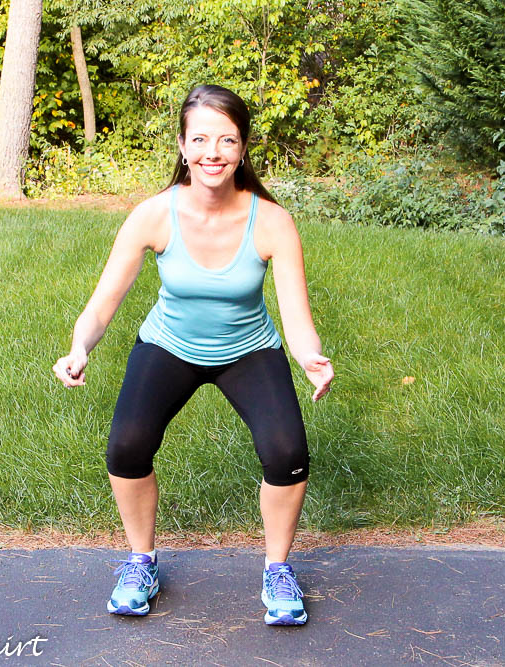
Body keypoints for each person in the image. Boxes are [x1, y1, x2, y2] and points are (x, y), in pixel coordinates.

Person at [52, 84, 334, 626]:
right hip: (169, 345)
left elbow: (297, 319)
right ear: (182, 145)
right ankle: (141, 561)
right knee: (127, 445)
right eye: (200, 138)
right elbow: (102, 306)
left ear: (243, 148)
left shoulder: (272, 221)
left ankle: (277, 569)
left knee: (287, 451)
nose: (213, 152)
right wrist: (79, 347)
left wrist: (310, 359)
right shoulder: (154, 216)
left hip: (247, 350)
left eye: (227, 140)